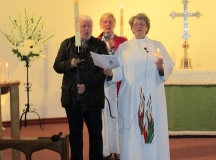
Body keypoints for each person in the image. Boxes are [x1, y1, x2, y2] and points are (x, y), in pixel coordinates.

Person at [103, 13, 174, 160]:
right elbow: (118, 71)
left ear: (147, 28)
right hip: (130, 98)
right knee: (133, 132)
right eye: (136, 24)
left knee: (149, 132)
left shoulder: (157, 46)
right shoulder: (124, 48)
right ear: (132, 28)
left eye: (142, 24)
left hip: (151, 97)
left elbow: (168, 65)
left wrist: (161, 68)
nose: (139, 26)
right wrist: (110, 73)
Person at [53, 15, 108, 160]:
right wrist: (69, 64)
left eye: (89, 25)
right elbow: (57, 65)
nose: (87, 28)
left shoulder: (99, 46)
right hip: (72, 98)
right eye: (84, 26)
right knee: (75, 134)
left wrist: (86, 86)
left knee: (95, 133)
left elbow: (103, 72)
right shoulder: (67, 44)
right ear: (77, 28)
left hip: (93, 98)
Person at [98, 13, 127, 160]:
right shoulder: (95, 41)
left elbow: (126, 63)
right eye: (104, 22)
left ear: (114, 23)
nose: (107, 24)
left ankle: (119, 149)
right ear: (101, 24)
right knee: (104, 119)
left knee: (118, 118)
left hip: (118, 83)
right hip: (102, 85)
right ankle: (105, 150)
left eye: (110, 21)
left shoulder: (124, 41)